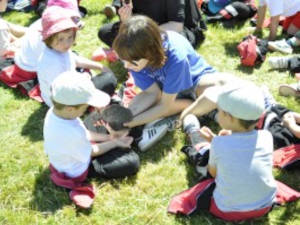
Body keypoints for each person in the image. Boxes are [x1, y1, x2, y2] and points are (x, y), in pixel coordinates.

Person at [169, 83, 278, 221]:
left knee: (202, 157)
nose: (218, 114)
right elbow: (244, 154)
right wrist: (216, 140)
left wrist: (214, 142)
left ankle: (193, 132)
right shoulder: (266, 137)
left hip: (227, 210)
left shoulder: (219, 144)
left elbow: (213, 173)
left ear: (230, 118)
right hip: (264, 206)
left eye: (219, 111)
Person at [113, 15, 237, 129]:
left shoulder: (176, 57)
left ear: (150, 53)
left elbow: (164, 105)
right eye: (122, 60)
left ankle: (193, 106)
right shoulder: (131, 55)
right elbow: (152, 93)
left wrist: (131, 123)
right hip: (166, 91)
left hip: (195, 82)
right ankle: (198, 108)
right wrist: (125, 117)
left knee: (220, 88)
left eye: (132, 62)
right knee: (138, 109)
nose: (126, 66)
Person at [44, 71, 140, 207]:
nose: (88, 109)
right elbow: (92, 151)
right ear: (71, 109)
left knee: (100, 118)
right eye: (84, 108)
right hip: (80, 167)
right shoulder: (68, 132)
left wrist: (107, 137)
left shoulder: (56, 113)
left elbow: (84, 132)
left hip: (78, 148)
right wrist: (115, 142)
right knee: (131, 163)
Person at [37, 6, 115, 106]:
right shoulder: (52, 64)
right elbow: (64, 90)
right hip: (65, 103)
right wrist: (83, 79)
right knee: (109, 79)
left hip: (68, 89)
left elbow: (74, 59)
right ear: (48, 38)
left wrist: (99, 66)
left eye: (70, 37)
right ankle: (88, 107)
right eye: (60, 39)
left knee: (78, 58)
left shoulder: (57, 49)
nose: (66, 43)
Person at [98, 0, 205, 48]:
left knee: (170, 44)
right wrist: (126, 19)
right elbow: (130, 23)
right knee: (105, 32)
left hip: (172, 30)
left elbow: (176, 25)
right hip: (142, 28)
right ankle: (138, 50)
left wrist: (140, 33)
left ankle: (135, 50)